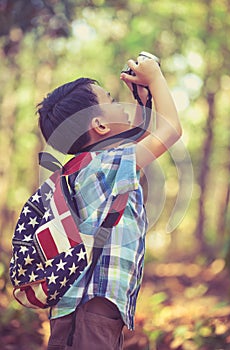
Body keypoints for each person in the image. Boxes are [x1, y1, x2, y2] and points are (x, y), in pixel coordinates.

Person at [37, 54, 182, 350]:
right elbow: (169, 131)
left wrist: (144, 99)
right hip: (92, 312)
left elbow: (143, 135)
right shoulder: (107, 165)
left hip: (82, 310)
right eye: (113, 100)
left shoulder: (88, 167)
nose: (122, 106)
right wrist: (155, 77)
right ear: (100, 125)